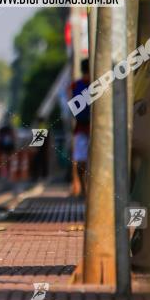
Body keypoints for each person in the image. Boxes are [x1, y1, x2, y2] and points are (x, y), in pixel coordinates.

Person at [70, 59, 91, 197]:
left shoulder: (75, 85)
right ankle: (85, 188)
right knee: (84, 159)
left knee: (81, 158)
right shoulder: (97, 85)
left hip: (81, 127)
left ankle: (84, 188)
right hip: (89, 127)